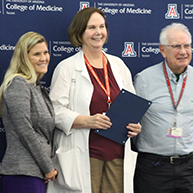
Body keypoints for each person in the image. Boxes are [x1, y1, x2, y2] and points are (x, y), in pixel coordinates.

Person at [47, 7, 141, 193]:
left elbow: (132, 105)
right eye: (91, 27)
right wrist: (86, 120)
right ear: (80, 33)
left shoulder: (119, 65)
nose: (98, 32)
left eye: (102, 26)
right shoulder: (67, 68)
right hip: (85, 154)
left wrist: (135, 125)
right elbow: (54, 111)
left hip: (117, 155)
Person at [133, 23, 193, 193]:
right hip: (153, 168)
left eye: (187, 46)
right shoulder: (144, 79)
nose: (183, 52)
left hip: (189, 169)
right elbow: (132, 120)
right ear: (162, 50)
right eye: (176, 46)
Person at [0, 31, 58, 193]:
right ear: (24, 57)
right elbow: (25, 130)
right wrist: (48, 167)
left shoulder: (37, 87)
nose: (43, 58)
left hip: (37, 174)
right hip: (22, 173)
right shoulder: (18, 83)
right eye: (36, 54)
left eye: (45, 52)